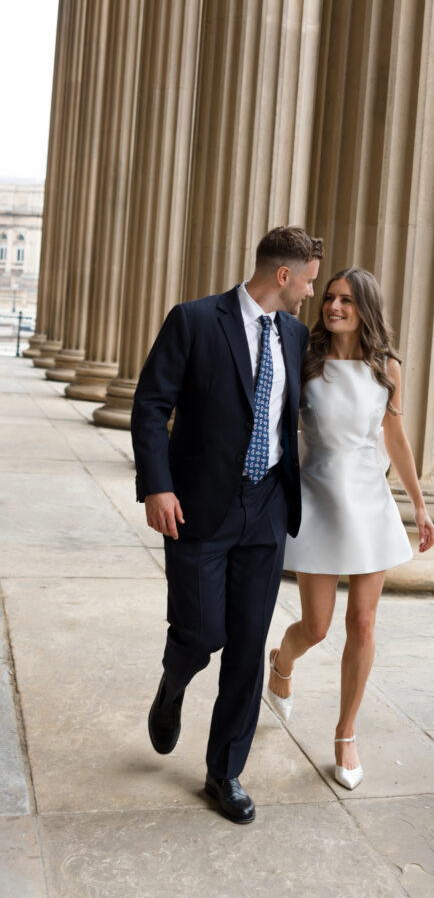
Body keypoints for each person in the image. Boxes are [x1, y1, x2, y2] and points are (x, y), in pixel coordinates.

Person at [131, 225, 323, 824]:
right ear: (284, 276)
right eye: (309, 282)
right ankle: (173, 683)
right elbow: (150, 404)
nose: (311, 296)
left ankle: (225, 772)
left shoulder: (294, 334)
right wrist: (157, 485)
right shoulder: (193, 320)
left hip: (266, 508)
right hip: (198, 507)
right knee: (201, 632)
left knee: (245, 645)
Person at [266, 267, 434, 790]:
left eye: (346, 300)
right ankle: (281, 662)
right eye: (330, 298)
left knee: (362, 624)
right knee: (316, 627)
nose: (334, 307)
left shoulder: (387, 366)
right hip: (317, 500)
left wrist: (421, 506)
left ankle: (345, 733)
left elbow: (397, 438)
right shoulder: (305, 357)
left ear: (366, 308)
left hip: (370, 504)